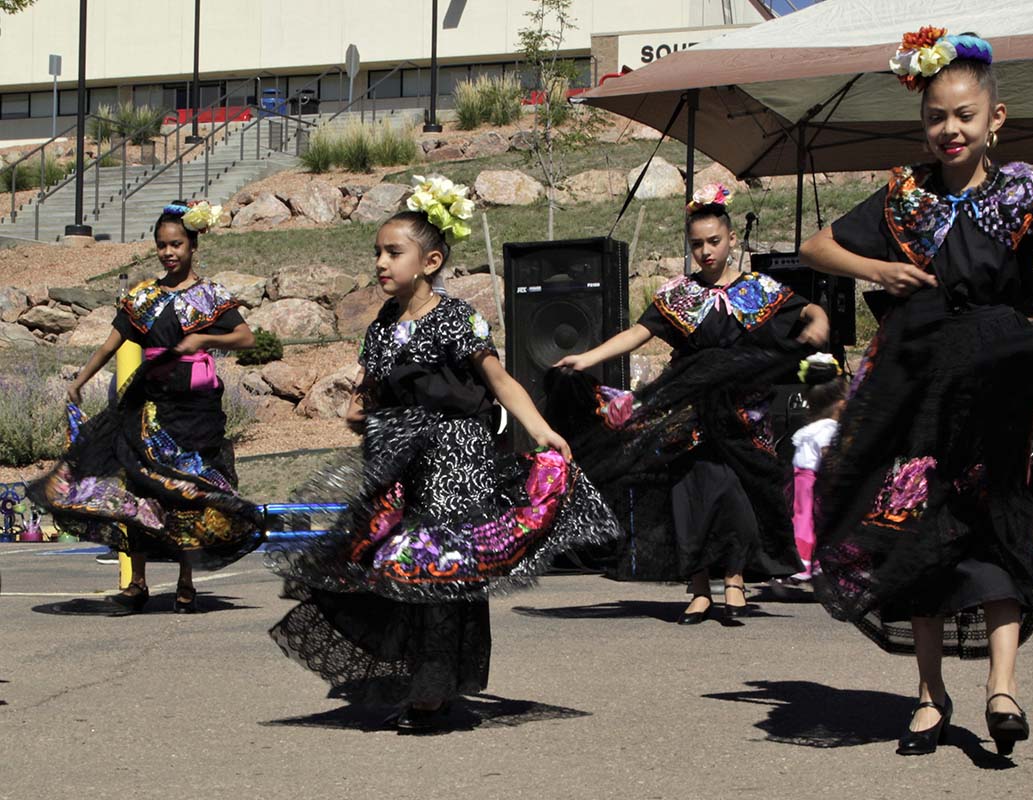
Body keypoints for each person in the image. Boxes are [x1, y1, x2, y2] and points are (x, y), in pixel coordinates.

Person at [801, 29, 1033, 756]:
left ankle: (1004, 687)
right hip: (917, 381)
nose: (949, 129)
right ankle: (930, 695)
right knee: (920, 535)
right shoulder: (904, 196)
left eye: (964, 115)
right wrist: (878, 271)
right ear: (922, 122)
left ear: (996, 118)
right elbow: (817, 246)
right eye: (937, 117)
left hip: (994, 376)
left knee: (996, 520)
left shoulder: (1023, 191)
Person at [266, 175, 619, 731]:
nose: (381, 263)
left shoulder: (455, 318)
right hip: (400, 464)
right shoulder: (381, 327)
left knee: (438, 571)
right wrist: (360, 411)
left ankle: (430, 693)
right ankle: (425, 681)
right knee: (390, 568)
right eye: (377, 253)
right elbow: (372, 390)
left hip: (457, 461)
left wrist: (541, 430)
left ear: (429, 261)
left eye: (393, 252)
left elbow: (499, 381)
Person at [550, 183, 829, 625]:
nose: (705, 251)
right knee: (691, 492)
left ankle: (735, 579)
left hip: (742, 411)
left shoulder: (757, 289)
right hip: (690, 408)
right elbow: (639, 333)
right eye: (697, 244)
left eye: (713, 241)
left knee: (736, 492)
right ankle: (699, 587)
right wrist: (588, 356)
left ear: (731, 240)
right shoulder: (679, 293)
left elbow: (809, 310)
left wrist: (818, 324)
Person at [31, 201, 261, 613]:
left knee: (183, 492)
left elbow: (246, 338)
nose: (168, 252)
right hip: (149, 402)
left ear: (193, 245)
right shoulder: (143, 297)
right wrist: (80, 380)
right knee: (136, 487)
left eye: (176, 244)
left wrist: (204, 340)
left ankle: (185, 582)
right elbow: (111, 342)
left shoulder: (210, 296)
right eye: (161, 246)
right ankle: (136, 584)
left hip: (194, 409)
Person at [773, 354, 846, 591]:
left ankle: (798, 565)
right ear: (840, 403)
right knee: (818, 523)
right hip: (817, 484)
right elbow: (828, 458)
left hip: (800, 482)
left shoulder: (808, 429)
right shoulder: (828, 430)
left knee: (801, 521)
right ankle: (811, 567)